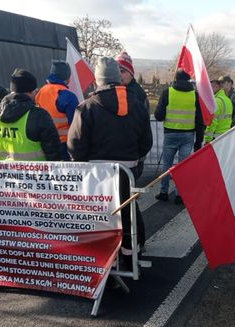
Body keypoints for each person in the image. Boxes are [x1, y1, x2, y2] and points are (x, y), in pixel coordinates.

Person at [68, 57, 153, 260]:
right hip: (128, 172)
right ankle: (131, 255)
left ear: (98, 79)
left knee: (102, 215)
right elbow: (146, 142)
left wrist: (84, 163)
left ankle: (106, 258)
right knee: (128, 211)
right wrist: (135, 158)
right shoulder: (137, 105)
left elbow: (75, 144)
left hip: (97, 176)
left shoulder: (86, 107)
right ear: (117, 78)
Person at [0, 69, 60, 161]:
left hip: (3, 173)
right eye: (35, 91)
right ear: (30, 91)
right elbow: (54, 152)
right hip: (35, 174)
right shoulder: (39, 115)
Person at [154, 69, 204, 204]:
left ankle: (164, 192)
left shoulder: (167, 92)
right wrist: (198, 141)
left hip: (170, 133)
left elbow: (158, 116)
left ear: (176, 79)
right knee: (183, 166)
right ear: (188, 80)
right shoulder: (195, 95)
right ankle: (180, 195)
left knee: (167, 164)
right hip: (188, 135)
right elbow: (199, 120)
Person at [35, 61, 79, 161]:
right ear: (67, 78)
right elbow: (76, 126)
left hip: (43, 144)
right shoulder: (69, 96)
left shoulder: (39, 93)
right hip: (64, 147)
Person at [117, 51, 150, 178]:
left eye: (123, 71)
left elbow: (144, 124)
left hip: (133, 152)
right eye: (117, 70)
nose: (119, 75)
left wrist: (140, 154)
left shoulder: (139, 94)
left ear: (131, 73)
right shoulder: (112, 90)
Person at [204, 77, 234, 143]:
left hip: (216, 138)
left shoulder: (216, 101)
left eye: (210, 88)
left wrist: (207, 139)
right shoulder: (228, 100)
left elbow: (212, 122)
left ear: (217, 87)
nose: (209, 91)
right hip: (226, 134)